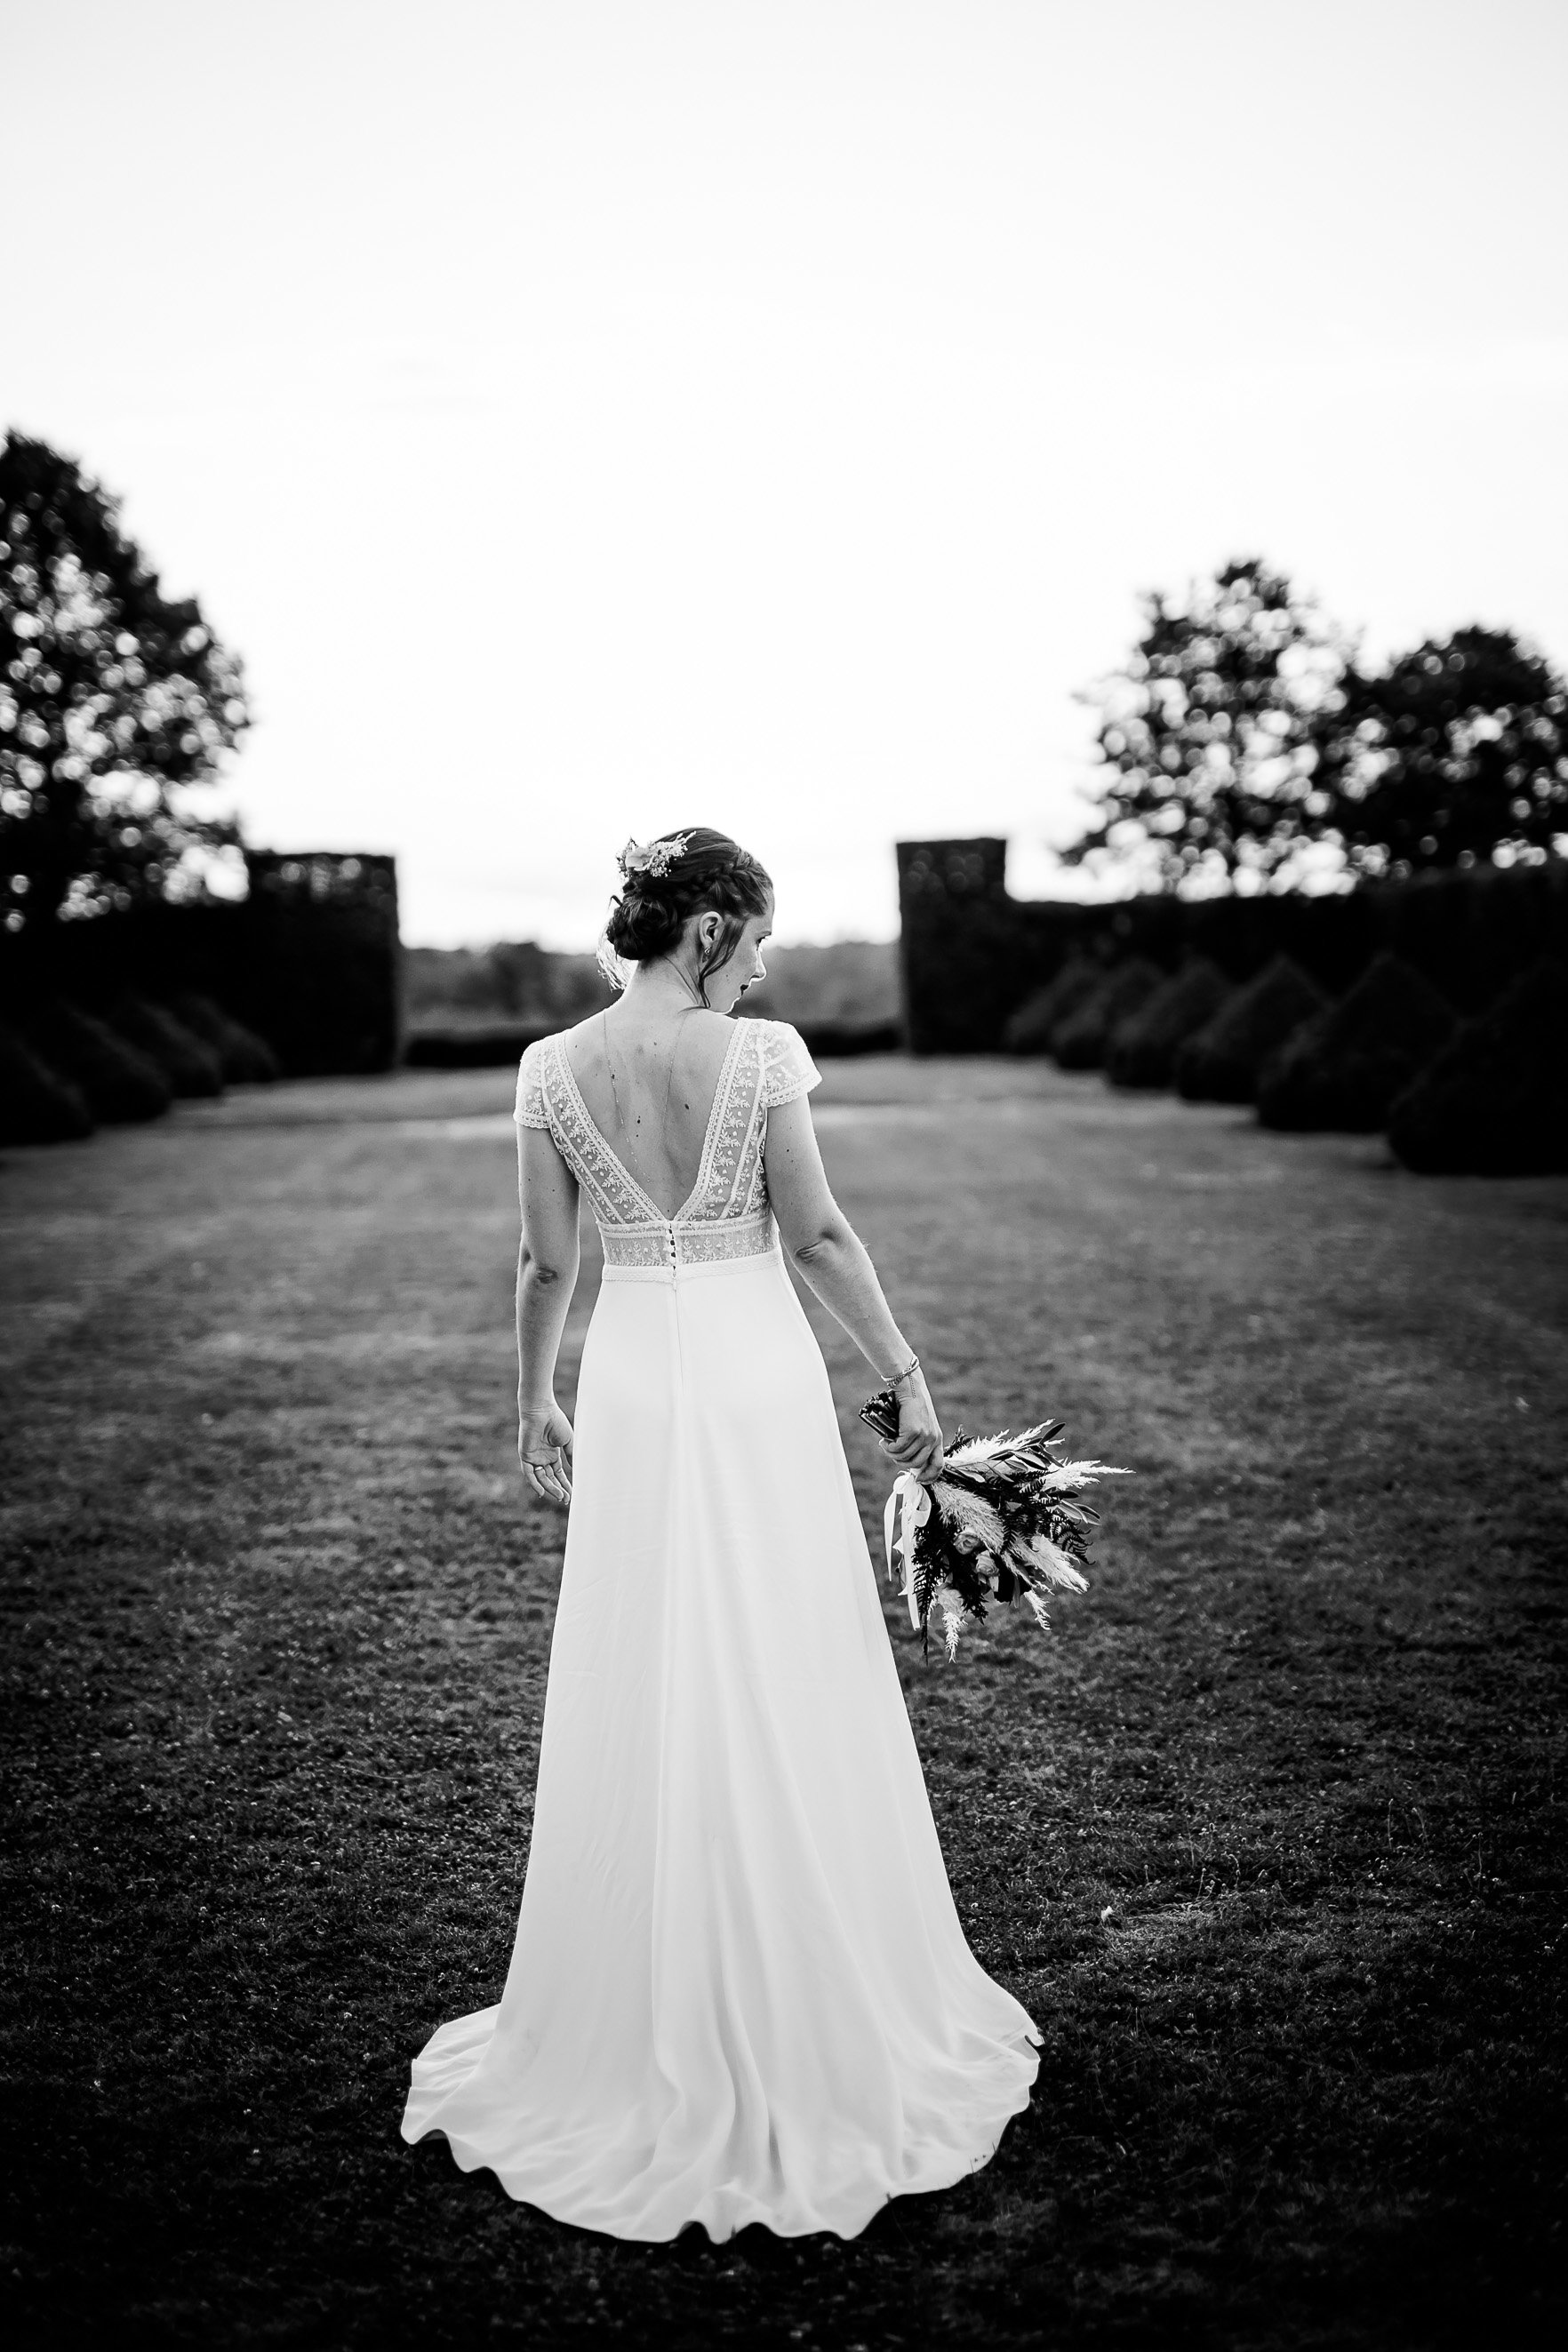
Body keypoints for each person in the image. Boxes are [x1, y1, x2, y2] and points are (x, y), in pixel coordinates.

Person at [401, 827, 1039, 2240]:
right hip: (750, 1384)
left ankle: (642, 1995)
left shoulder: (547, 1069)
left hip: (632, 1379)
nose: (762, 968)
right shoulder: (758, 1061)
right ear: (705, 933)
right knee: (779, 1649)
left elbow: (544, 1260)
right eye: (753, 941)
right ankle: (803, 1976)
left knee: (649, 1652)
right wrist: (905, 1376)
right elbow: (815, 1237)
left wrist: (536, 1403)